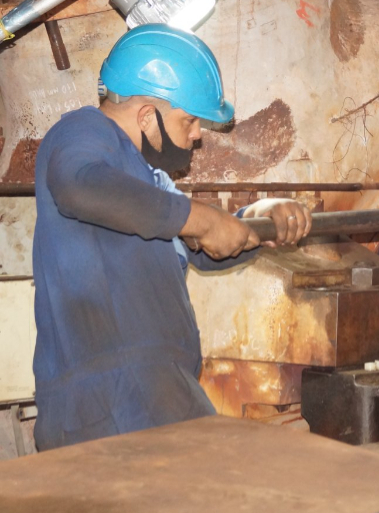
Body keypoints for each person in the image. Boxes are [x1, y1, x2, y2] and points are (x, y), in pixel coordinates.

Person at [32, 24, 313, 450]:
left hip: (150, 389)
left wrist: (257, 222)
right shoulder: (83, 132)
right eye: (190, 120)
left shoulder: (146, 182)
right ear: (146, 116)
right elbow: (79, 186)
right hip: (111, 398)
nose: (198, 134)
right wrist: (201, 220)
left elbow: (198, 246)